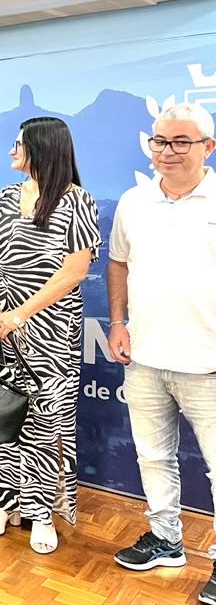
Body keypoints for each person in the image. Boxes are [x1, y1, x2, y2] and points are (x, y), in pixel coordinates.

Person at [0, 117, 100, 555]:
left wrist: (20, 314)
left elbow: (74, 270)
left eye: (19, 144)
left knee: (45, 424)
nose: (11, 151)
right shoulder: (7, 195)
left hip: (49, 332)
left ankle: (41, 513)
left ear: (42, 148)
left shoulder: (77, 200)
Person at [108, 102, 216, 604]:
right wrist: (117, 323)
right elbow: (118, 263)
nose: (167, 151)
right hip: (146, 357)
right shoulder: (134, 201)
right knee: (153, 457)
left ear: (207, 147)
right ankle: (166, 539)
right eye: (159, 141)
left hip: (209, 362)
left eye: (181, 142)